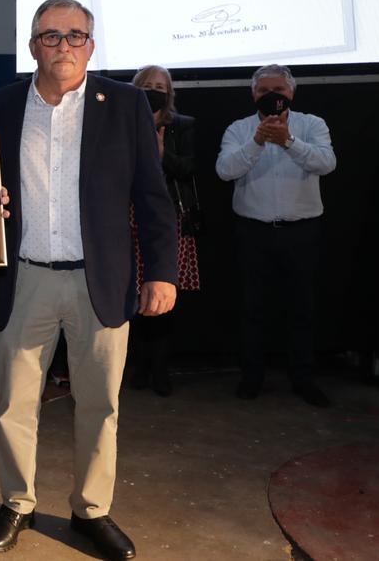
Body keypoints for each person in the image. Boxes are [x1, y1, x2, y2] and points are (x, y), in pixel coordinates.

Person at [0, 0, 178, 560]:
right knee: (14, 403)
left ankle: (92, 511)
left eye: (75, 35)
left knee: (100, 404)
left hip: (102, 282)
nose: (63, 46)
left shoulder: (128, 105)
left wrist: (162, 272)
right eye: (50, 36)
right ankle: (17, 502)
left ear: (91, 43)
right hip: (26, 279)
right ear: (33, 43)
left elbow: (153, 200)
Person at [216, 64, 336, 407]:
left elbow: (327, 163)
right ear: (253, 94)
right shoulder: (239, 130)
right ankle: (252, 378)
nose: (271, 97)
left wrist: (289, 142)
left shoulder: (311, 125)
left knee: (302, 309)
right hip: (253, 232)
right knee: (252, 309)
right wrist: (257, 142)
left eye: (278, 91)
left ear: (291, 94)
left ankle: (303, 378)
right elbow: (225, 171)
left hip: (302, 232)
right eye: (264, 90)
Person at [126, 65, 201, 397]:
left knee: (162, 298)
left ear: (169, 93)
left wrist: (160, 153)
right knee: (133, 298)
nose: (154, 90)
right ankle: (138, 366)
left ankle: (160, 370)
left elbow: (189, 168)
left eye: (160, 86)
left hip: (169, 221)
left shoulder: (182, 126)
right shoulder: (123, 122)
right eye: (147, 85)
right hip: (127, 221)